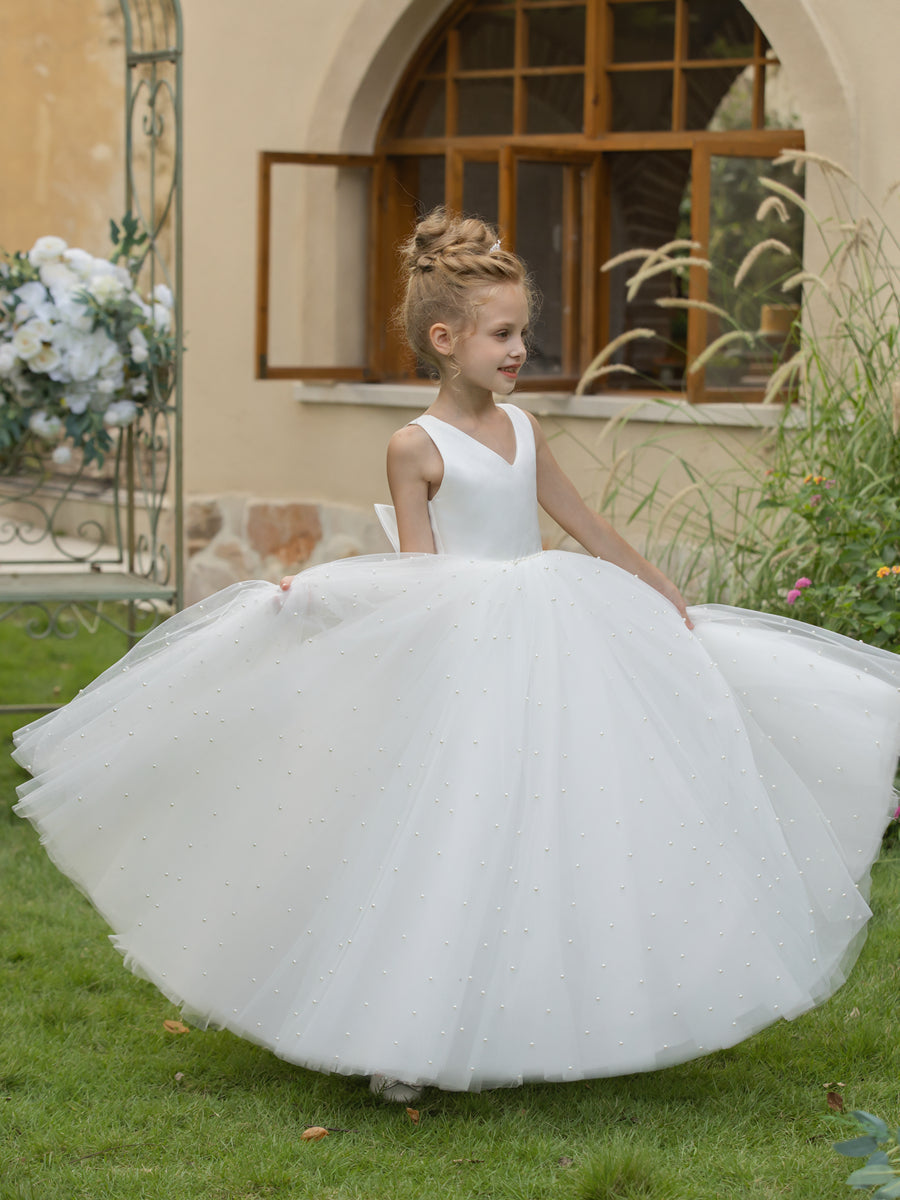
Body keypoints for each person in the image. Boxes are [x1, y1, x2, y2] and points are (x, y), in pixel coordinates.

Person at [13, 210, 900, 1104]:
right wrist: (328, 596)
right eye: (504, 334)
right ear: (446, 339)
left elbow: (582, 523)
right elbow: (417, 574)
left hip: (557, 633)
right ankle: (410, 1031)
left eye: (523, 333)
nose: (520, 349)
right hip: (466, 653)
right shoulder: (415, 447)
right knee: (450, 835)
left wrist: (659, 586)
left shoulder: (523, 428)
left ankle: (550, 1008)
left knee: (566, 824)